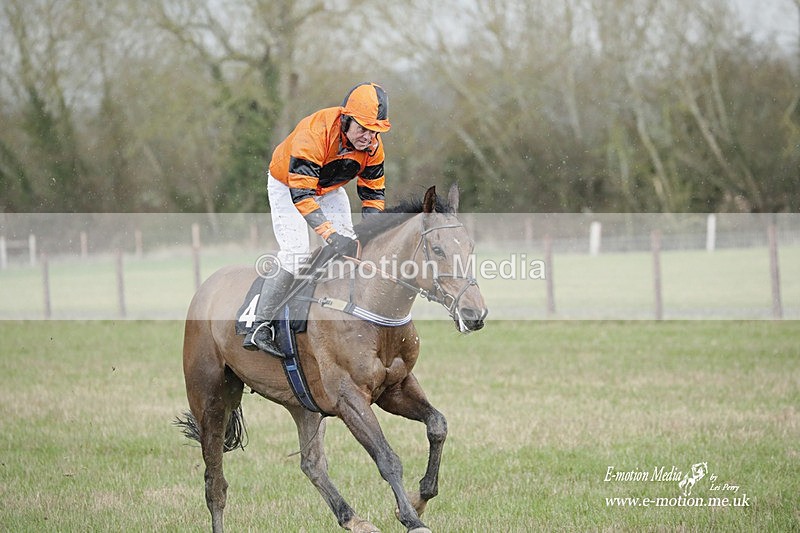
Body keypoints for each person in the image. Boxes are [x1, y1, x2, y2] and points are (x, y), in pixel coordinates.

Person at [243, 82, 391, 353]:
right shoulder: (315, 133)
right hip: (289, 185)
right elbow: (302, 196)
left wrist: (372, 233)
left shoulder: (373, 147)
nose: (368, 137)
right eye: (363, 129)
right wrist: (330, 235)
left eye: (375, 131)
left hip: (328, 188)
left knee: (351, 249)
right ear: (346, 119)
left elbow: (373, 195)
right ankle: (259, 325)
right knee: (297, 254)